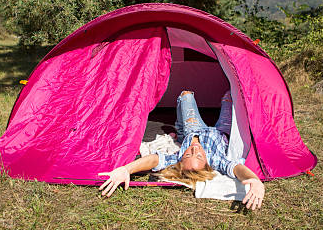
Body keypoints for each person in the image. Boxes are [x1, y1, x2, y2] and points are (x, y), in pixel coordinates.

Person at [98, 90, 265, 210]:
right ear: (207, 162)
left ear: (181, 158)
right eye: (199, 155)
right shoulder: (216, 160)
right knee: (230, 95)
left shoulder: (178, 159)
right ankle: (180, 128)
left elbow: (155, 160)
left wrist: (127, 169)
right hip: (221, 130)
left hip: (193, 129)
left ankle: (180, 129)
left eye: (188, 153)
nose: (194, 148)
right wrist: (254, 180)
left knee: (186, 95)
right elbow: (237, 169)